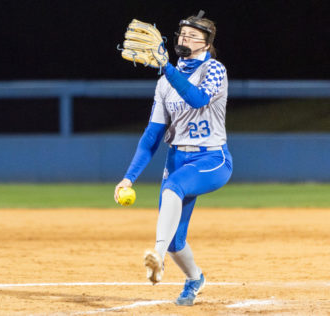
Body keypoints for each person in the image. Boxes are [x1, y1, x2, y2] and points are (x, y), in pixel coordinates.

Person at [114, 11, 233, 306]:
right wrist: (129, 177)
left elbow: (197, 98)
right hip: (176, 159)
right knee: (177, 241)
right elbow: (152, 137)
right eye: (182, 34)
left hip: (211, 160)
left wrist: (166, 66)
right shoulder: (165, 83)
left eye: (193, 36)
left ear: (206, 44)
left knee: (173, 188)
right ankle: (194, 278)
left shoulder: (214, 69)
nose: (184, 38)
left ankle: (156, 256)